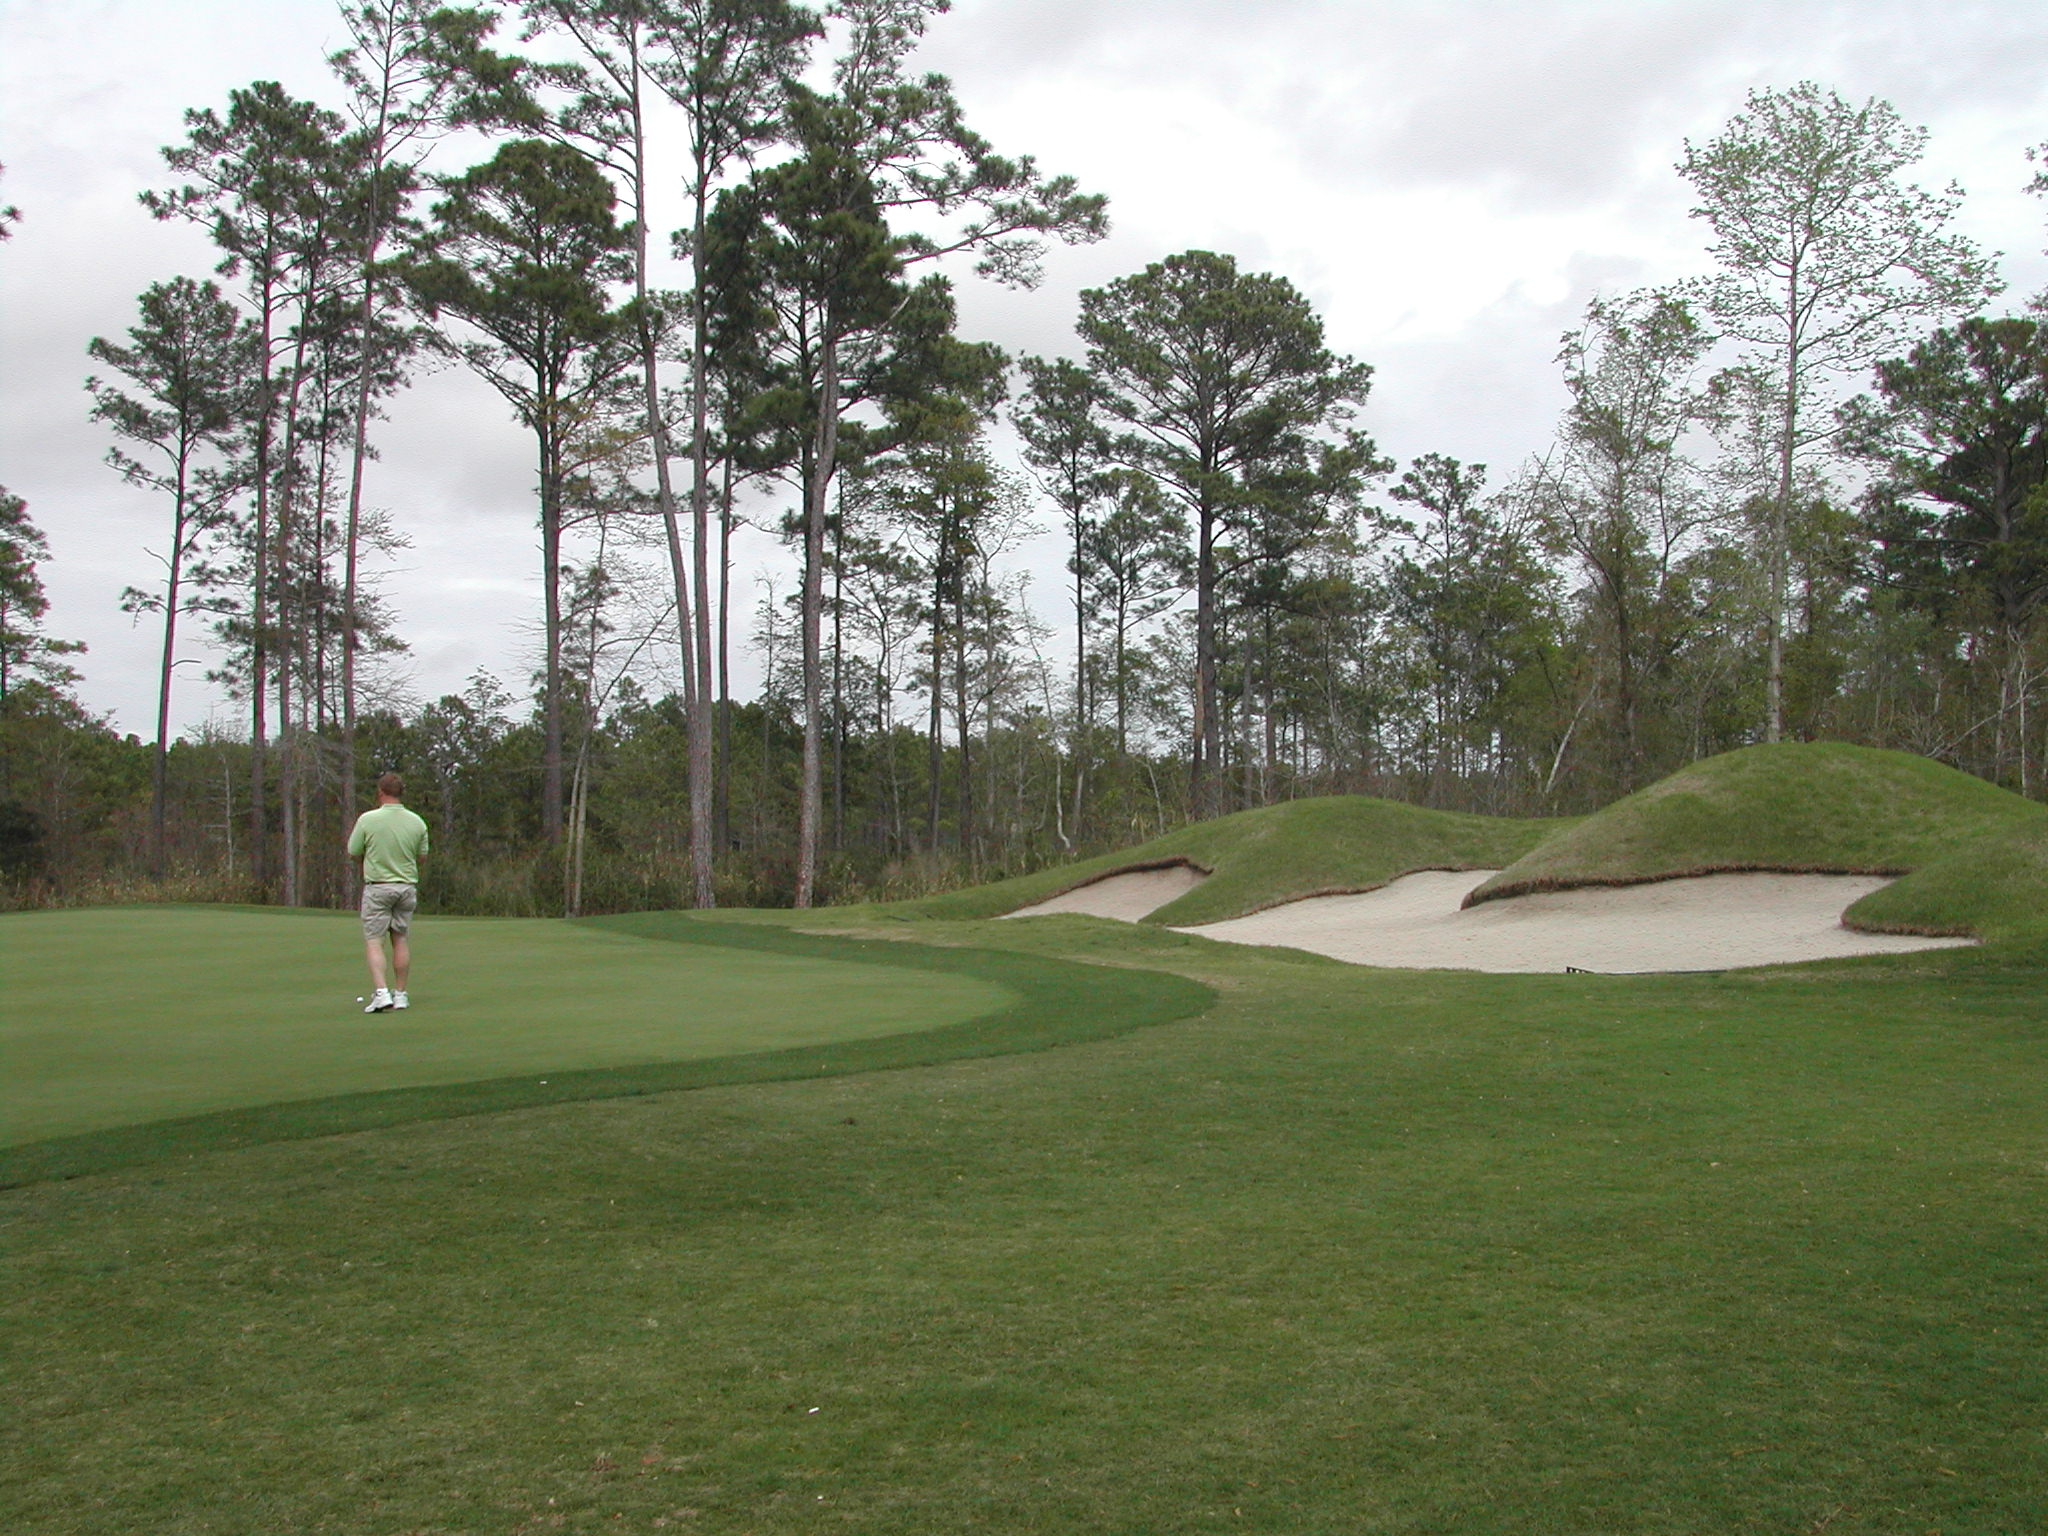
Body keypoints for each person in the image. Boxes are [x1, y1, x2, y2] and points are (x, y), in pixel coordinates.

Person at [347, 770, 430, 1014]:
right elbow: (422, 857)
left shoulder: (368, 819)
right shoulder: (417, 822)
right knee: (400, 938)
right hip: (406, 887)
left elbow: (353, 851)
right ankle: (400, 994)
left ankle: (382, 993)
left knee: (374, 940)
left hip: (379, 887)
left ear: (381, 792)